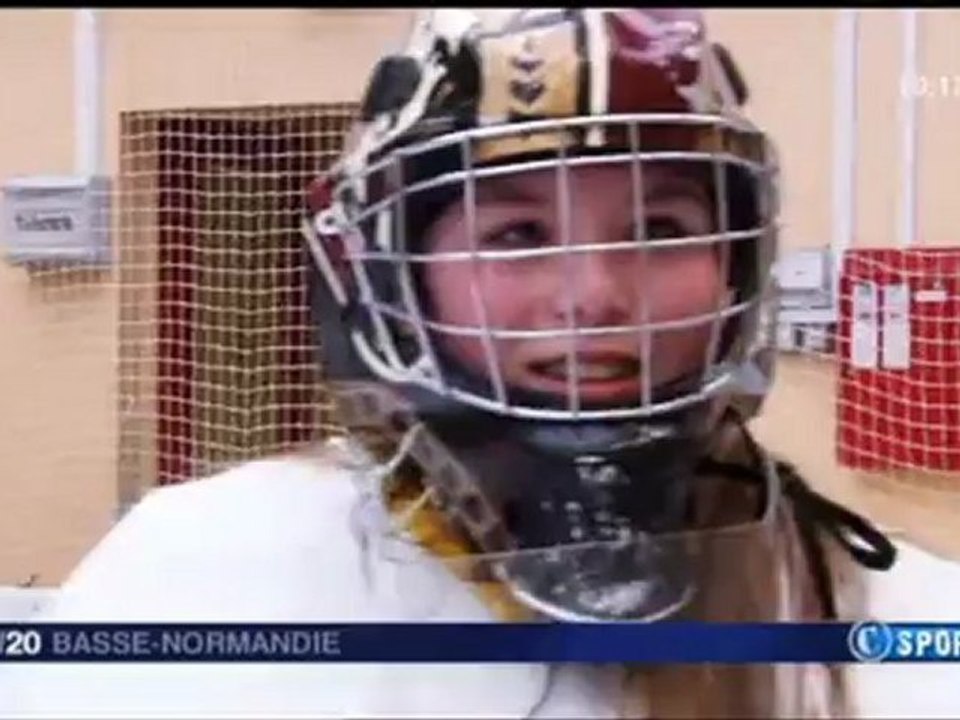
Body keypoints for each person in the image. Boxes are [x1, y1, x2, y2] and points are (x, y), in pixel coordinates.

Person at [1, 8, 959, 719]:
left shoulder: (903, 624)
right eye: (516, 234)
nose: (593, 295)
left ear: (737, 266)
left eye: (661, 227)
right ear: (396, 274)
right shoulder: (202, 574)